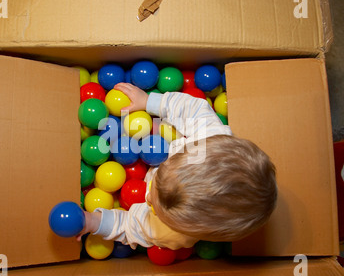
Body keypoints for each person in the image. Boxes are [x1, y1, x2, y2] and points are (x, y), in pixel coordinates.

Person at [76, 83, 277, 250]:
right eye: (163, 170)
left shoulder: (173, 234)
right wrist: (148, 101)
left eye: (155, 209)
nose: (148, 198)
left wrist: (94, 222)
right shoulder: (209, 138)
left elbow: (133, 226)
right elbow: (192, 108)